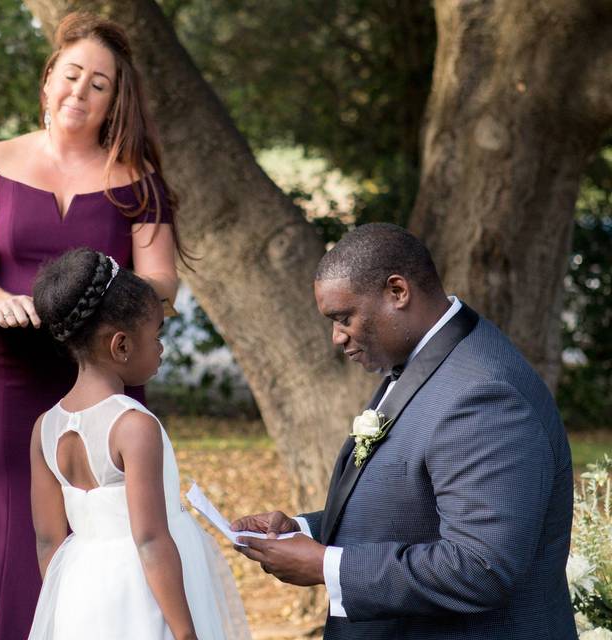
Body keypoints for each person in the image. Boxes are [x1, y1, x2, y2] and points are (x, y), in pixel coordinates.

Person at [0, 12, 181, 638]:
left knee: (102, 527)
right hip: (4, 373)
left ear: (114, 100)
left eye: (99, 84)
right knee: (7, 530)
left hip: (100, 377)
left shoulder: (139, 183)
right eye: (72, 75)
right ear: (49, 79)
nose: (80, 92)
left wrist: (100, 286)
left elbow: (161, 284)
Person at [231, 223, 576, 639]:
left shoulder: (484, 394)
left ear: (397, 292)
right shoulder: (429, 359)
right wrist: (302, 533)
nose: (337, 338)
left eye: (343, 318)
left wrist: (327, 566)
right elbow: (412, 508)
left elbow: (481, 566)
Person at [26, 248, 248, 640]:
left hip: (80, 592)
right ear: (122, 346)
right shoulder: (133, 425)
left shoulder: (45, 428)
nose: (161, 347)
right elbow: (150, 539)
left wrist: (65, 602)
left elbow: (48, 540)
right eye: (156, 335)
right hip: (145, 593)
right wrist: (184, 632)